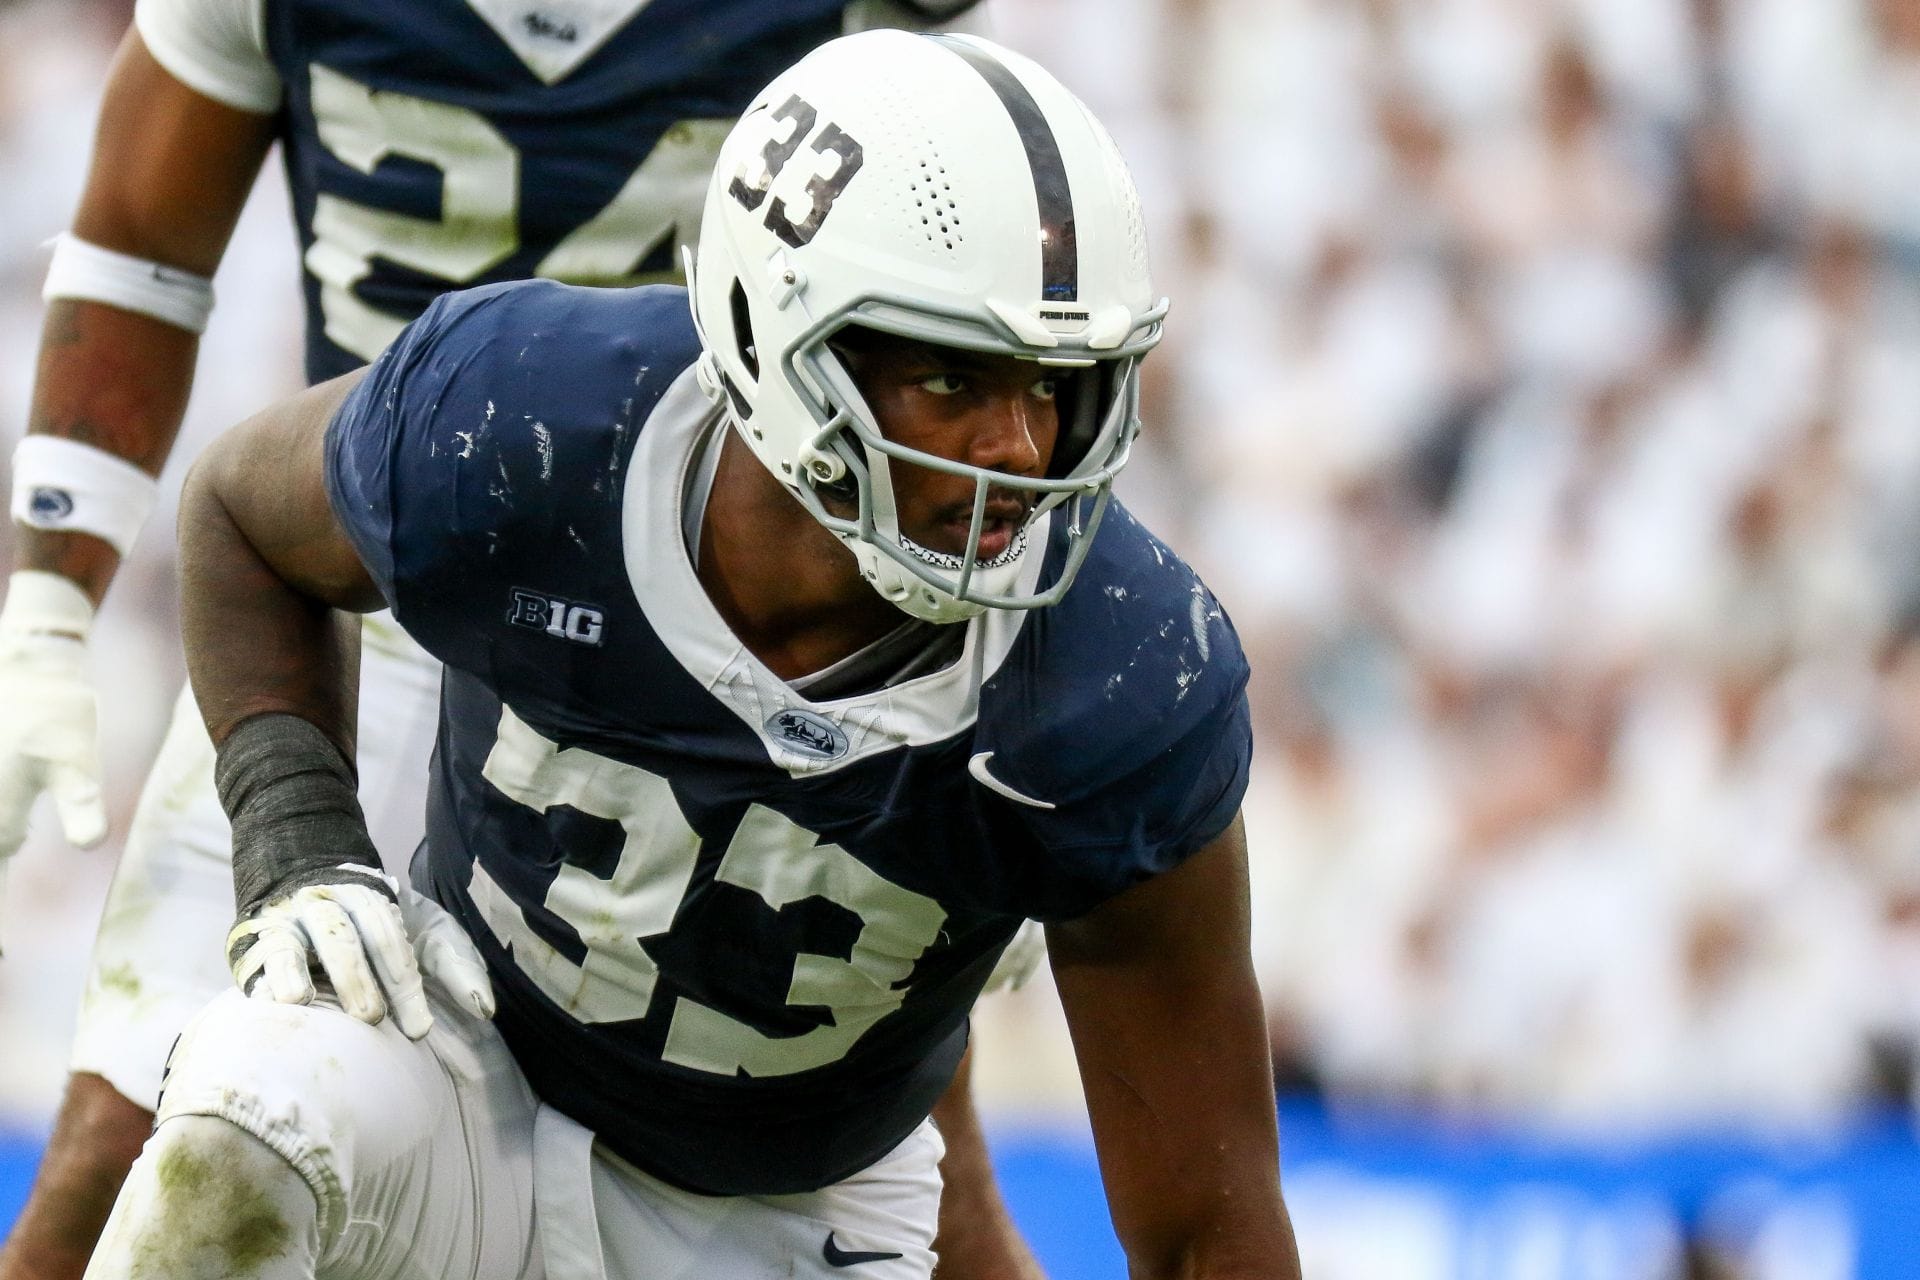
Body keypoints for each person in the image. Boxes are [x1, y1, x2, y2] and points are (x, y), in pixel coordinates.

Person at [83, 28, 1301, 1280]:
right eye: (952, 379)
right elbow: (237, 505)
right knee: (248, 1107)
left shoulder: (1125, 684)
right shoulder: (530, 424)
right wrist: (299, 840)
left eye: (1059, 387)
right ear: (777, 337)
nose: (1022, 450)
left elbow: (1208, 1220)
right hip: (462, 1079)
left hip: (783, 1210)